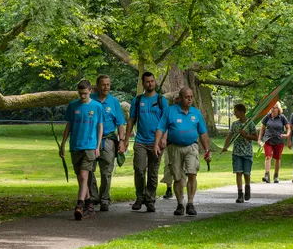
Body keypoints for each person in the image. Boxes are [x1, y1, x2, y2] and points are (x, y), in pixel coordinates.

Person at [154, 87, 211, 216]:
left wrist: (207, 150)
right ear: (180, 97)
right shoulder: (170, 111)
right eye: (187, 97)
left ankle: (190, 203)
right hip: (174, 148)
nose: (190, 99)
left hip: (191, 147)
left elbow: (203, 133)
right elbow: (160, 128)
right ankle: (180, 204)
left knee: (192, 173)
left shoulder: (196, 113)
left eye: (191, 97)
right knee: (177, 176)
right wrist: (156, 144)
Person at [59, 79, 104, 220]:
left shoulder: (97, 107)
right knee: (80, 177)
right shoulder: (73, 106)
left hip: (90, 146)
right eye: (80, 93)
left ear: (90, 91)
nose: (82, 96)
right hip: (75, 146)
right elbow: (69, 125)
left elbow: (100, 127)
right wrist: (63, 144)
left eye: (85, 93)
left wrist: (98, 146)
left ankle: (79, 205)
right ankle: (89, 204)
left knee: (84, 176)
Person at [127, 72, 169, 213]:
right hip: (140, 141)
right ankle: (140, 197)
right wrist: (126, 138)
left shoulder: (161, 100)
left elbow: (167, 121)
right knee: (139, 169)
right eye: (147, 82)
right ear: (143, 84)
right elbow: (131, 119)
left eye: (152, 81)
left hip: (156, 142)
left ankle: (150, 200)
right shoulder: (138, 100)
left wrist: (164, 138)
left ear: (155, 82)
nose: (150, 84)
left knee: (153, 172)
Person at [87, 74, 127, 211]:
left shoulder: (114, 102)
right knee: (88, 169)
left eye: (108, 85)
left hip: (108, 139)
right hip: (91, 140)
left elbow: (120, 123)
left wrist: (121, 141)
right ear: (97, 86)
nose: (106, 87)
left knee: (106, 171)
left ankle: (104, 198)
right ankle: (93, 196)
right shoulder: (90, 99)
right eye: (103, 85)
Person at [223, 103, 258, 203]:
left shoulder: (250, 124)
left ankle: (247, 187)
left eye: (236, 111)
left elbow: (255, 137)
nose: (234, 113)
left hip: (247, 153)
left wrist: (245, 135)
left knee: (246, 173)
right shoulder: (235, 124)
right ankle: (240, 194)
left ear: (241, 112)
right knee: (238, 173)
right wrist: (225, 146)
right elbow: (229, 136)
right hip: (237, 153)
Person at [258, 102, 290, 183]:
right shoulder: (267, 117)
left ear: (278, 109)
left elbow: (288, 128)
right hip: (268, 140)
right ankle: (266, 175)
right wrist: (259, 139)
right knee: (267, 157)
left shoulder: (282, 117)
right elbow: (262, 129)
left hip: (279, 140)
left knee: (277, 158)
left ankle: (276, 175)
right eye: (271, 107)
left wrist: (287, 135)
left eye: (274, 107)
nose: (272, 109)